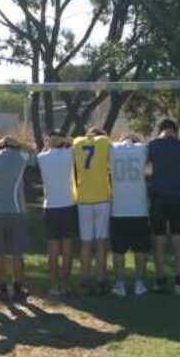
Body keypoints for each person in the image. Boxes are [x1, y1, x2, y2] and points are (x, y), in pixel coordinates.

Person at [147, 118, 180, 295]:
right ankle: (179, 281)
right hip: (178, 198)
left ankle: (160, 280)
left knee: (159, 239)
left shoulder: (152, 146)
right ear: (174, 130)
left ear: (160, 130)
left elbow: (145, 167)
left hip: (158, 198)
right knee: (179, 239)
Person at [0, 136, 34, 303]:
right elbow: (33, 152)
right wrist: (19, 142)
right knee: (17, 254)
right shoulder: (21, 156)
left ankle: (2, 288)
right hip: (16, 210)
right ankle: (18, 288)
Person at [36, 129, 78, 296]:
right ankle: (65, 284)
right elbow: (75, 143)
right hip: (68, 205)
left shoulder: (42, 157)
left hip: (50, 206)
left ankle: (54, 285)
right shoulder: (69, 154)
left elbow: (43, 151)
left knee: (53, 249)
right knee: (67, 247)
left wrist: (50, 142)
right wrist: (64, 140)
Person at [72, 126, 112, 295]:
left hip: (84, 198)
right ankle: (101, 279)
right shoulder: (104, 141)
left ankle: (85, 278)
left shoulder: (78, 142)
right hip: (102, 197)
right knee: (101, 241)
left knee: (86, 243)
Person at [109, 134, 150, 297]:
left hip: (119, 209)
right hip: (139, 209)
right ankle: (139, 283)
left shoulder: (113, 148)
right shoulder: (142, 148)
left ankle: (120, 284)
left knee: (118, 251)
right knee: (140, 250)